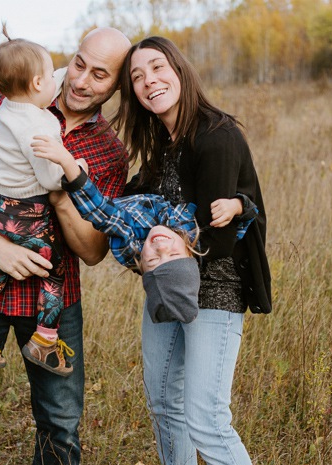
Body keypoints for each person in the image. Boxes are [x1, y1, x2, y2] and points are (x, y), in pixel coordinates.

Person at [0, 27, 132, 465]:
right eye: (79, 63)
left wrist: (61, 191)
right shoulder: (8, 95)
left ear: (117, 86)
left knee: (60, 428)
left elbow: (93, 250)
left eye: (99, 75)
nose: (80, 81)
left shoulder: (109, 152)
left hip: (52, 304)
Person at [113, 36, 272, 465]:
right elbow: (130, 213)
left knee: (206, 419)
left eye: (158, 67)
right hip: (166, 285)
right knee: (166, 406)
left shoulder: (216, 136)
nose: (150, 81)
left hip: (215, 290)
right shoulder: (163, 146)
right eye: (138, 76)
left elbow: (219, 238)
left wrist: (162, 243)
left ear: (180, 70)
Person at [0, 28, 85, 377]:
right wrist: (76, 166)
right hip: (28, 214)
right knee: (54, 269)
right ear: (38, 82)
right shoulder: (40, 125)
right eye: (51, 73)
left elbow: (49, 79)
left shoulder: (8, 104)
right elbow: (48, 180)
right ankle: (44, 340)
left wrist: (63, 71)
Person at [31, 135, 258, 325]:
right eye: (173, 254)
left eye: (153, 260)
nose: (161, 247)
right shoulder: (196, 234)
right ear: (190, 252)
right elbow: (245, 223)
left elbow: (99, 211)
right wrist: (236, 206)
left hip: (101, 191)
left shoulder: (131, 238)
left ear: (141, 265)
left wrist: (68, 163)